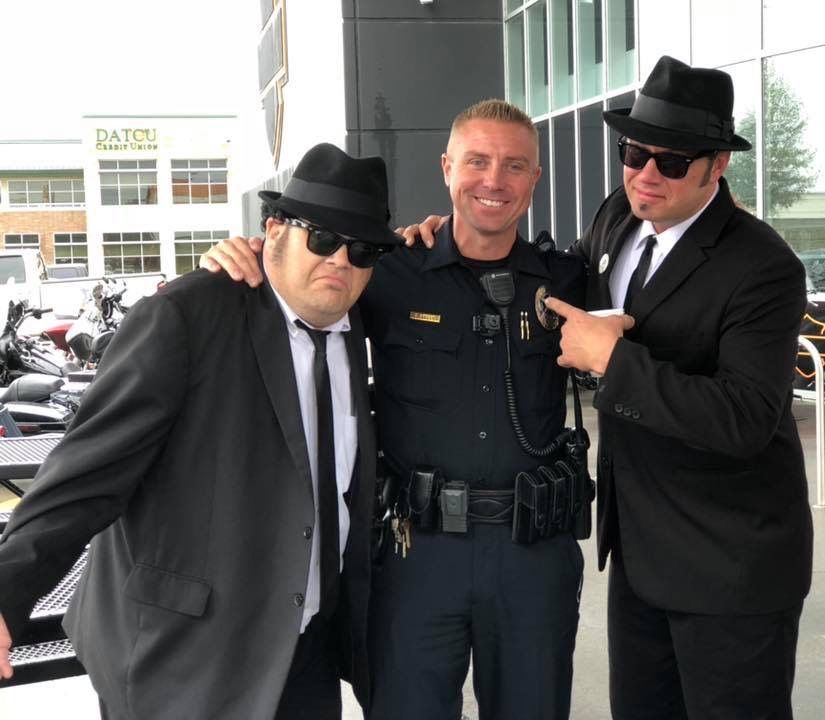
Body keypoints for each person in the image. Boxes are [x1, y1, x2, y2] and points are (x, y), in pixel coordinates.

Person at [201, 99, 588, 720]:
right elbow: (301, 283)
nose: (494, 180)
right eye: (477, 161)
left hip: (533, 555)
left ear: (535, 178)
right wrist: (244, 254)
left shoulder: (568, 280)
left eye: (514, 165)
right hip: (417, 553)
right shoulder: (389, 271)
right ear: (447, 168)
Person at [0, 143, 399, 720]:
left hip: (304, 648)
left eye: (362, 249)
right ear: (274, 231)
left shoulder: (352, 323)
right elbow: (84, 476)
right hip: (183, 657)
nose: (340, 259)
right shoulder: (186, 317)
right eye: (322, 237)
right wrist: (8, 592)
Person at [541, 56, 813, 719]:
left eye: (671, 161)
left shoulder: (764, 267)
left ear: (717, 166)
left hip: (731, 568)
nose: (646, 175)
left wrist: (616, 363)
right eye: (634, 153)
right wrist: (447, 244)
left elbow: (746, 417)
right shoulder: (619, 216)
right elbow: (559, 278)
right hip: (639, 555)